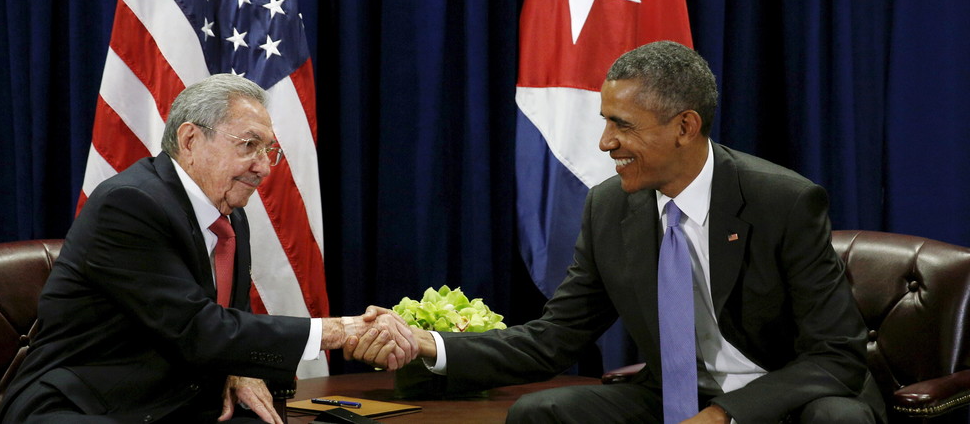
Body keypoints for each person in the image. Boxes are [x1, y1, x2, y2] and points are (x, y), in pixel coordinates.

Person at [348, 41, 886, 423]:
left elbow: (836, 355)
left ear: (685, 127)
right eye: (605, 121)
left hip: (787, 398)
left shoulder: (783, 201)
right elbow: (554, 339)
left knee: (838, 418)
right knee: (542, 411)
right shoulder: (609, 207)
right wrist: (430, 345)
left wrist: (725, 415)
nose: (605, 142)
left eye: (622, 125)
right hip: (674, 400)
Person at [0, 74, 417, 423]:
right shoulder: (129, 204)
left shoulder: (230, 216)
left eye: (268, 150)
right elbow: (196, 327)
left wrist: (238, 368)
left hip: (184, 399)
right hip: (85, 403)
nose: (264, 167)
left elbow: (230, 321)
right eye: (249, 145)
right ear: (190, 139)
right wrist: (339, 331)